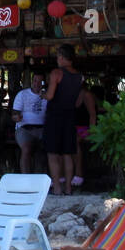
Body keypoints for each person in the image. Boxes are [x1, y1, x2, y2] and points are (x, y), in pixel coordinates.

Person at [43, 44, 84, 195]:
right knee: (67, 154)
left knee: (53, 154)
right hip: (70, 117)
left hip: (55, 117)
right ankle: (68, 187)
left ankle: (57, 188)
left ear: (61, 56)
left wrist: (42, 94)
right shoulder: (79, 76)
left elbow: (50, 96)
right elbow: (78, 101)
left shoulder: (56, 73)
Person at [11, 73, 47, 174]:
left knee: (51, 149)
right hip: (24, 129)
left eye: (40, 82)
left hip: (42, 129)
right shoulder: (22, 94)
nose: (37, 84)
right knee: (26, 149)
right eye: (35, 81)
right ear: (32, 81)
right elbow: (14, 113)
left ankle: (46, 179)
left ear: (44, 84)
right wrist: (17, 117)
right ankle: (26, 178)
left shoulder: (48, 96)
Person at [72, 84, 98, 189]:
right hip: (73, 128)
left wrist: (92, 133)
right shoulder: (69, 94)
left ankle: (78, 175)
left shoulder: (86, 95)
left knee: (74, 140)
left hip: (86, 128)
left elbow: (93, 115)